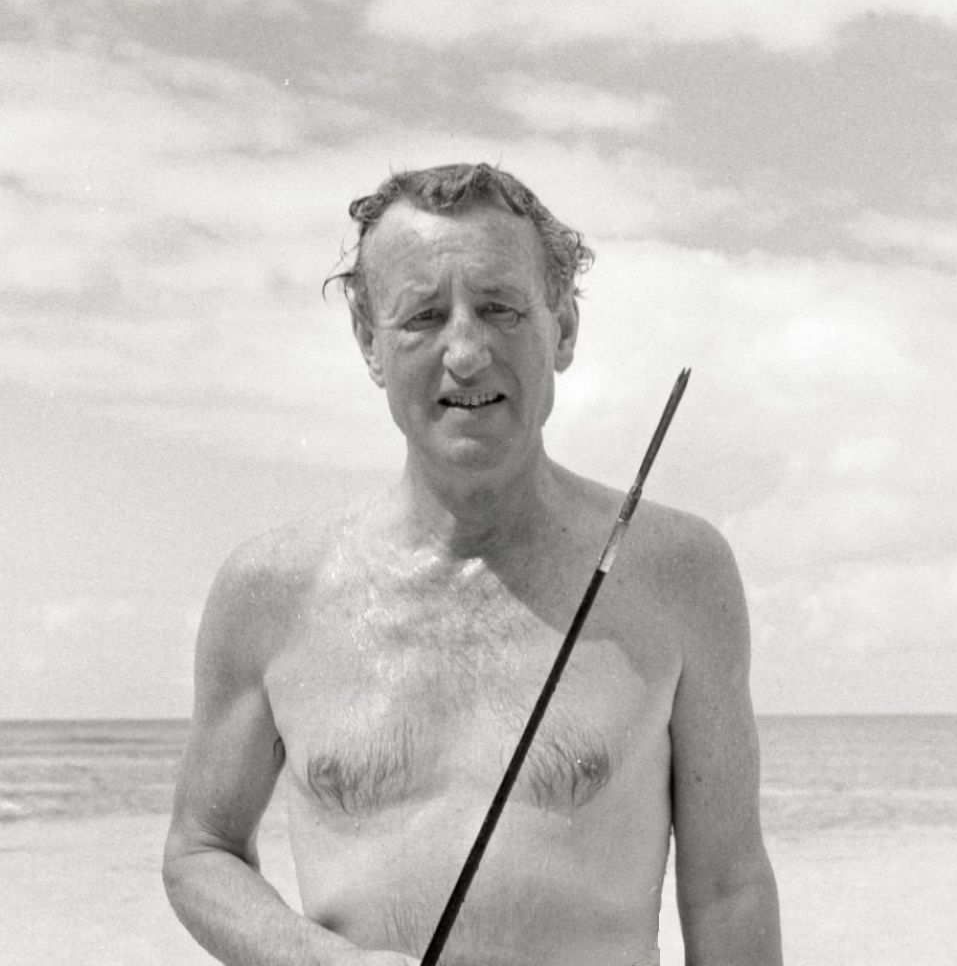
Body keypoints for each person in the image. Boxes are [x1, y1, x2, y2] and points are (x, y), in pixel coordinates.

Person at [163, 162, 782, 966]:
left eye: (500, 308)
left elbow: (727, 886)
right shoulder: (271, 592)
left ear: (561, 328)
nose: (465, 352)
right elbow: (200, 851)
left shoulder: (679, 575)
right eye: (422, 315)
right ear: (369, 342)